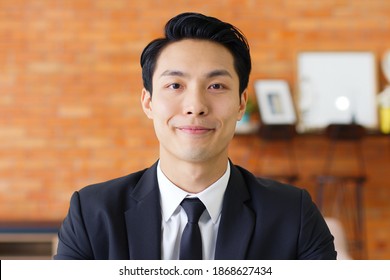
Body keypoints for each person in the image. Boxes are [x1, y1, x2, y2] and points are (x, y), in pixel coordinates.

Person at [54, 12, 336, 260]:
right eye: (175, 85)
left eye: (216, 86)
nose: (196, 107)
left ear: (241, 103)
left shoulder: (293, 215)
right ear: (148, 102)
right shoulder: (92, 213)